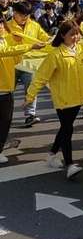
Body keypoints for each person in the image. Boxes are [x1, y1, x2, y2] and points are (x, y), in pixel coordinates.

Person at [24, 20, 83, 179]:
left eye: (77, 34)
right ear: (62, 36)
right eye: (71, 34)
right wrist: (30, 96)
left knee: (66, 128)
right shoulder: (55, 54)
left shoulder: (81, 49)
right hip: (64, 98)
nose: (75, 37)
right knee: (67, 129)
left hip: (78, 97)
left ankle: (52, 155)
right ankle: (69, 165)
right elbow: (41, 77)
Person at [0, 23, 45, 164]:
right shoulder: (4, 43)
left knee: (5, 122)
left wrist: (20, 47)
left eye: (1, 23)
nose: (0, 26)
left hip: (7, 88)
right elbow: (4, 51)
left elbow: (14, 58)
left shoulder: (5, 39)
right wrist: (29, 46)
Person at [7, 0, 51, 127]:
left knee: (31, 88)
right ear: (14, 13)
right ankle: (4, 116)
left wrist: (51, 40)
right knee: (7, 91)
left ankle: (30, 115)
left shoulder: (34, 25)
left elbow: (44, 38)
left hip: (29, 64)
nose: (24, 18)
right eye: (22, 15)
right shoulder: (7, 26)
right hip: (11, 63)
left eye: (27, 15)